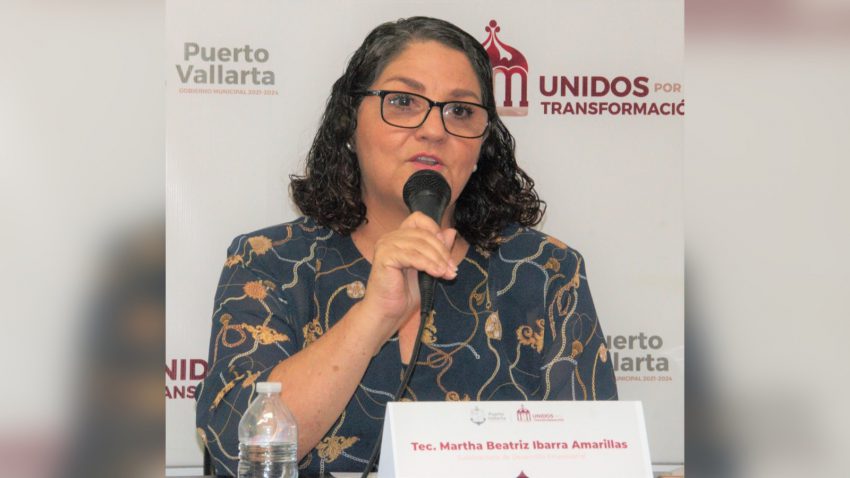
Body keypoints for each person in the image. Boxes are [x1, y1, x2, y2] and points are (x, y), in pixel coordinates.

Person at [195, 16, 617, 476]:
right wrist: (374, 316)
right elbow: (235, 452)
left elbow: (596, 460)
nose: (434, 130)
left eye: (461, 111)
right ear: (349, 124)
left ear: (482, 145)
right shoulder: (270, 261)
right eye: (402, 102)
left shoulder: (544, 271)